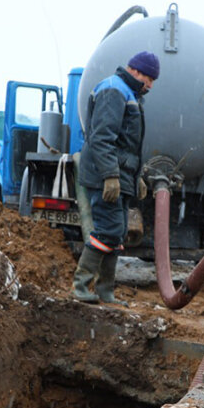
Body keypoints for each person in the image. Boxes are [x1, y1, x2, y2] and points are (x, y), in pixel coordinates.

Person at [72, 51, 160, 304]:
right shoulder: (114, 90)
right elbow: (102, 139)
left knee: (118, 232)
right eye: (150, 78)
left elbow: (128, 145)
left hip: (120, 175)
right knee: (108, 230)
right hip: (105, 176)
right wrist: (110, 176)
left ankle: (105, 290)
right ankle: (80, 286)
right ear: (136, 70)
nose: (151, 85)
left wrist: (137, 177)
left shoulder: (130, 94)